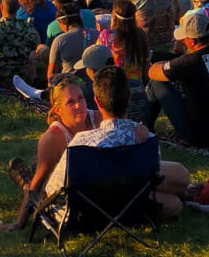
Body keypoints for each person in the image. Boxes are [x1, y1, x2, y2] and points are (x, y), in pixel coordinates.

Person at [68, 65, 190, 220]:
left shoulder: (80, 143)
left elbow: (60, 186)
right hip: (133, 202)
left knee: (174, 200)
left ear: (97, 102)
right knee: (175, 197)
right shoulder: (146, 139)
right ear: (130, 97)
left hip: (94, 209)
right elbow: (155, 180)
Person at [0, 77, 100, 233]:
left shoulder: (98, 119)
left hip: (93, 195)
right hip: (64, 196)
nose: (79, 105)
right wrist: (19, 223)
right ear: (57, 109)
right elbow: (37, 185)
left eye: (81, 98)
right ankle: (25, 182)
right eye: (70, 102)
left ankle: (23, 177)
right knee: (39, 185)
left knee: (38, 171)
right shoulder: (53, 138)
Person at [146, 8, 209, 148]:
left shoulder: (189, 62)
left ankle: (145, 128)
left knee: (156, 84)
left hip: (203, 137)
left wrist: (165, 62)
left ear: (191, 42)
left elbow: (152, 72)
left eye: (184, 38)